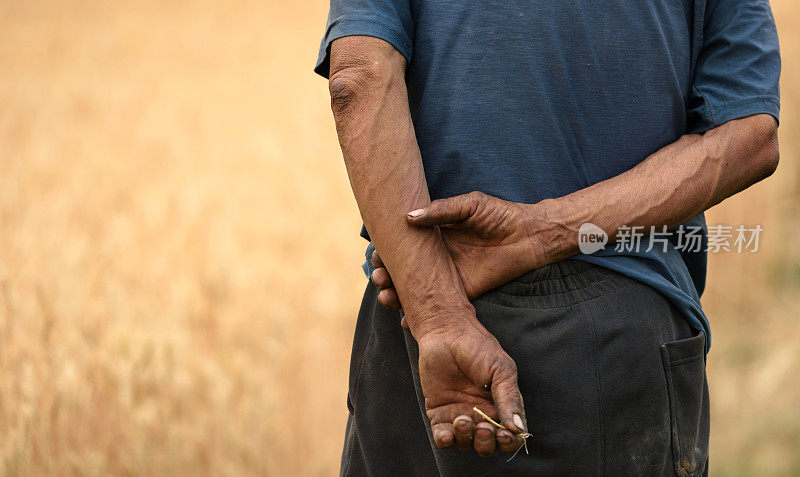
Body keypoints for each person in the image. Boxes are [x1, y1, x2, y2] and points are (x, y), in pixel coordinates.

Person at [314, 0, 780, 475]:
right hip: (615, 334)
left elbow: (357, 80)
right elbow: (749, 132)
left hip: (414, 323)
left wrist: (438, 314)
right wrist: (542, 233)